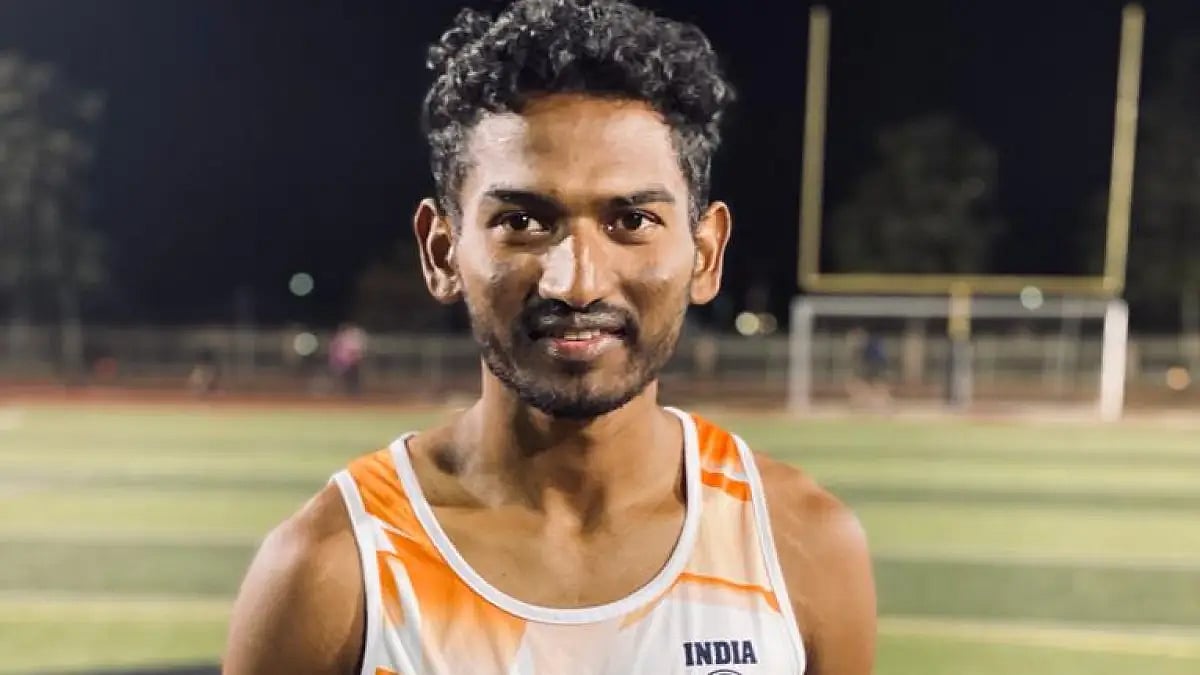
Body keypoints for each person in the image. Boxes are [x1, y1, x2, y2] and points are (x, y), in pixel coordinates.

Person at [223, 1, 876, 673]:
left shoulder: (804, 547)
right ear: (443, 251)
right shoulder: (330, 571)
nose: (578, 282)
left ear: (706, 253)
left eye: (631, 219)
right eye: (523, 221)